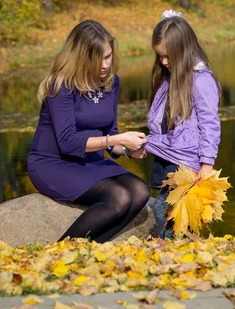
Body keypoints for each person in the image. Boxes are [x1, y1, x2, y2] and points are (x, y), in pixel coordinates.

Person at [27, 20, 150, 243]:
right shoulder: (61, 85)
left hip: (90, 162)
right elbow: (67, 142)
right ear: (81, 57)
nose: (104, 65)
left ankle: (94, 247)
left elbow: (110, 133)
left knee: (140, 191)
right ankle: (61, 250)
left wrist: (127, 150)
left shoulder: (111, 83)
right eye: (97, 59)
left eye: (108, 56)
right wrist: (117, 138)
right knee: (119, 197)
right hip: (53, 163)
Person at [144, 10, 222, 238]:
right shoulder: (170, 75)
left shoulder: (201, 79)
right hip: (170, 152)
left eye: (168, 56)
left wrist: (207, 163)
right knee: (168, 208)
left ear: (184, 50)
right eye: (159, 56)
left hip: (187, 160)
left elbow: (210, 123)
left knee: (164, 208)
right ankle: (173, 245)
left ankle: (170, 248)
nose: (164, 62)